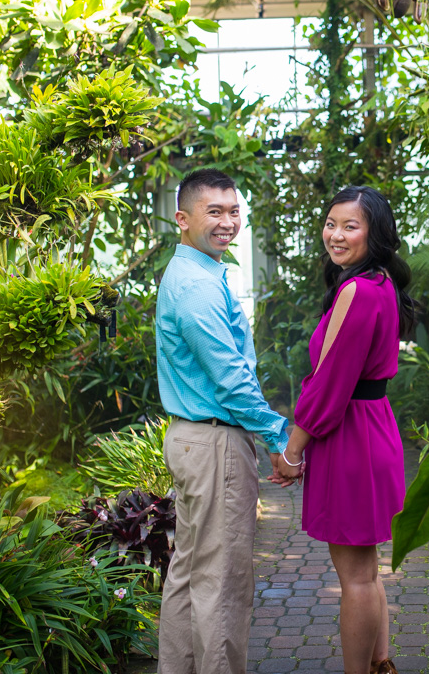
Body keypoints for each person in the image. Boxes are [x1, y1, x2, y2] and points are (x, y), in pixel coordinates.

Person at [155, 168, 295, 674]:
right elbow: (231, 380)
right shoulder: (195, 284)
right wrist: (281, 439)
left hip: (198, 440)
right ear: (183, 219)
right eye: (213, 211)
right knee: (222, 583)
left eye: (233, 211)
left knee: (191, 575)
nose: (227, 221)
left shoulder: (198, 273)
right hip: (214, 444)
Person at [276, 186, 414, 674]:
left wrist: (292, 451)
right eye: (330, 223)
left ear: (375, 234)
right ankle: (381, 663)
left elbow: (329, 382)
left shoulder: (359, 290)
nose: (335, 235)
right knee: (366, 568)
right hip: (372, 429)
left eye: (349, 226)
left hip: (351, 435)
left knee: (354, 577)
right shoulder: (379, 285)